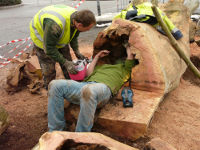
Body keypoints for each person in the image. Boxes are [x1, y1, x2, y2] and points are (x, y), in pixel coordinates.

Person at [47, 46, 138, 132]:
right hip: (85, 85)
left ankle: (80, 137)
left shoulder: (125, 69)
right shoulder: (102, 66)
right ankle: (55, 131)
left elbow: (130, 56)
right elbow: (88, 74)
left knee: (88, 90)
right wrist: (97, 56)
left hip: (103, 88)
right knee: (55, 85)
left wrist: (127, 46)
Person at [30, 5, 96, 89]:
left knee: (70, 66)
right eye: (87, 29)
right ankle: (50, 91)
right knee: (49, 71)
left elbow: (73, 36)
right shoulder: (54, 26)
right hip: (43, 43)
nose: (88, 31)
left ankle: (71, 87)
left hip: (58, 37)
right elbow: (49, 49)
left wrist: (76, 51)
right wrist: (65, 63)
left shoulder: (77, 18)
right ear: (79, 25)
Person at [114, 2, 183, 40]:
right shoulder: (149, 6)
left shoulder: (128, 10)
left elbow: (116, 19)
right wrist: (176, 33)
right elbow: (165, 19)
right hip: (152, 21)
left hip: (147, 20)